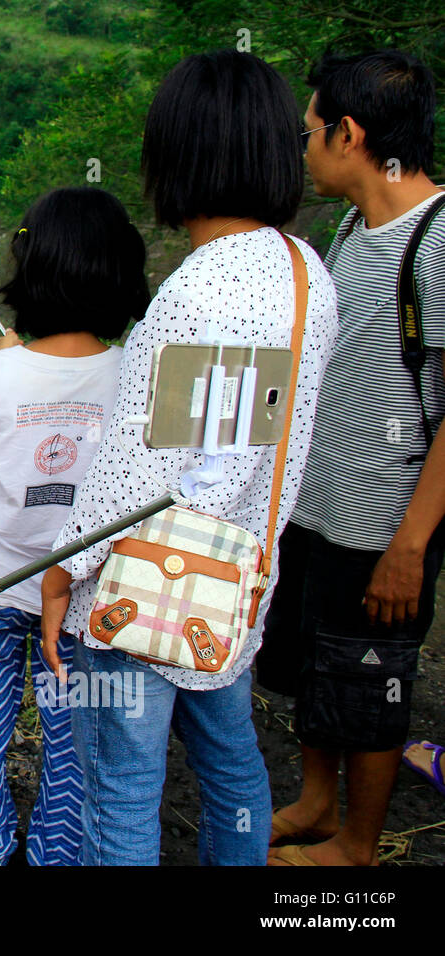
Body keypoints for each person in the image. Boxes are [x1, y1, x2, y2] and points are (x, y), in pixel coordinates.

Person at [39, 50, 340, 866]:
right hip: (237, 577)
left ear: (181, 152)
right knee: (234, 763)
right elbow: (234, 446)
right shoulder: (304, 271)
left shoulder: (203, 288)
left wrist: (65, 569)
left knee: (125, 796)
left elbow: (149, 468)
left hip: (149, 587)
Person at [255, 50, 445, 867]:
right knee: (314, 667)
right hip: (318, 503)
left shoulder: (435, 244)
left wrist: (410, 543)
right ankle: (315, 803)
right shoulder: (352, 227)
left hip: (382, 517)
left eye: (310, 134)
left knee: (369, 680)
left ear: (350, 133)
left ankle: (358, 847)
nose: (303, 151)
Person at [0, 187, 149, 866]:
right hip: (83, 588)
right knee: (70, 736)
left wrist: (9, 363)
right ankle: (58, 854)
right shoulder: (135, 374)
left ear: (30, 271)